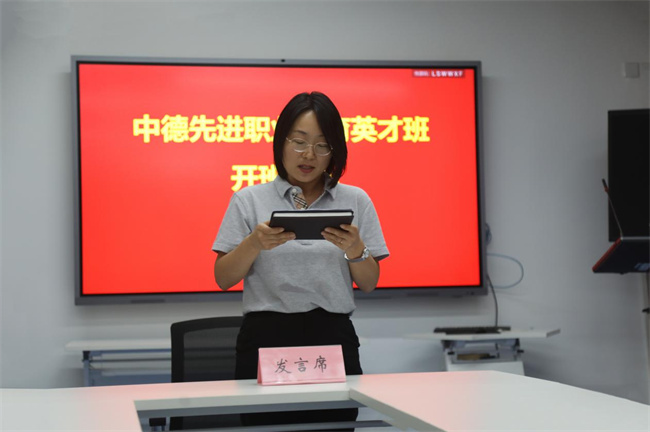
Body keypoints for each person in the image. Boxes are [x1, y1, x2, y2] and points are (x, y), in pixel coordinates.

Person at [212, 91, 389, 429]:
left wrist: (356, 249)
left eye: (323, 145)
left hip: (332, 337)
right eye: (299, 142)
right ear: (281, 142)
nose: (309, 154)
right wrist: (254, 243)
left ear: (335, 151)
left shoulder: (356, 200)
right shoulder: (248, 200)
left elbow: (369, 282)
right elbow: (223, 277)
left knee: (332, 427)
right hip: (267, 338)